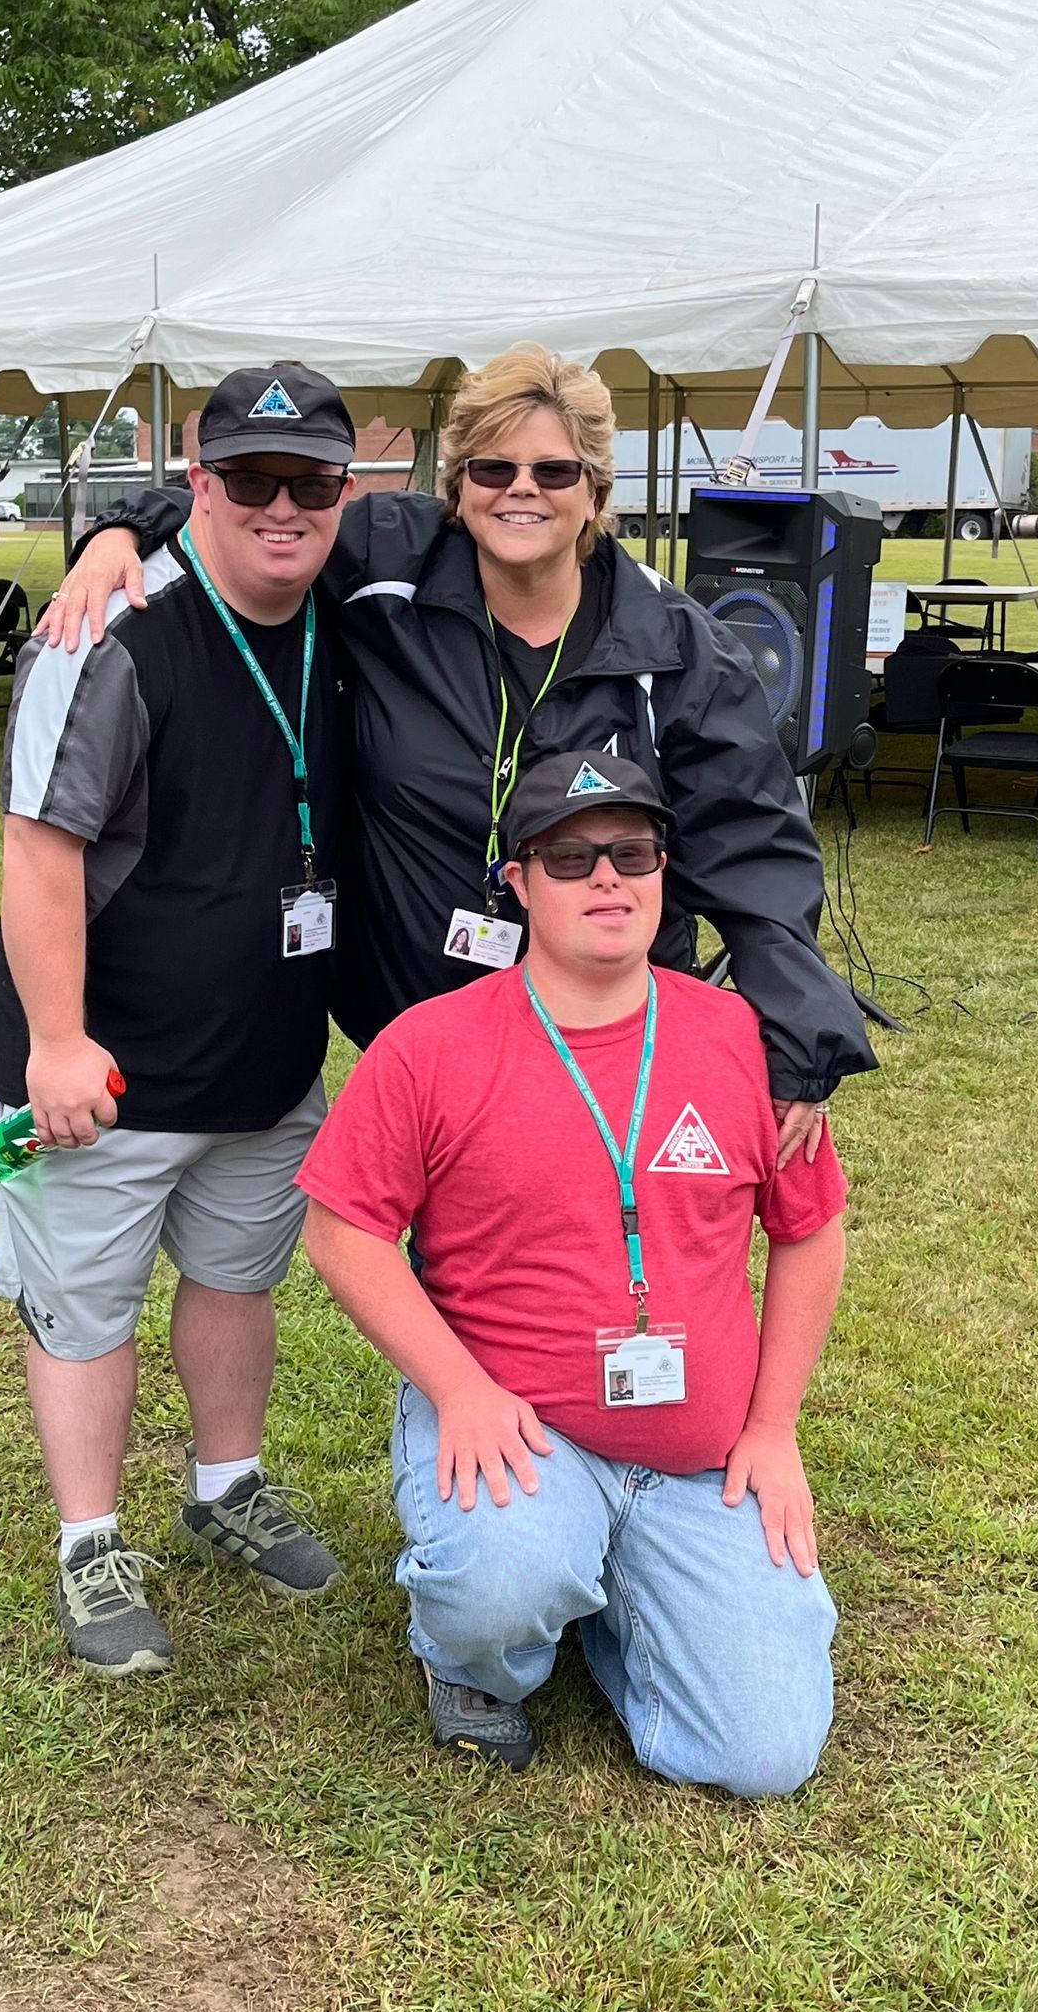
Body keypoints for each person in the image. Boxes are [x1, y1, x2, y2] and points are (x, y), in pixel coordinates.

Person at [44, 343, 872, 1161]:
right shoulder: (384, 565)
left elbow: (750, 844)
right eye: (491, 469)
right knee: (454, 1265)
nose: (521, 490)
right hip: (423, 1039)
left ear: (596, 493)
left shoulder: (676, 649)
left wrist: (799, 1028)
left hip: (605, 1032)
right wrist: (125, 529)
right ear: (457, 487)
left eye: (554, 472)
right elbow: (265, 504)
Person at [297, 750, 846, 1788]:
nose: (608, 879)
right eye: (571, 856)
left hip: (701, 1454)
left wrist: (772, 1427)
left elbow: (810, 1230)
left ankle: (617, 1606)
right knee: (500, 1578)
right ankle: (473, 1662)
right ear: (518, 881)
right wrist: (456, 1389)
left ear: (663, 871)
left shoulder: (742, 1039)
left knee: (764, 1753)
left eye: (632, 852)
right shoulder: (429, 1047)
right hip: (520, 1425)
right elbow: (342, 1230)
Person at [0, 364, 356, 1677]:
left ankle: (225, 1488)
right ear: (198, 484)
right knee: (84, 1310)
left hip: (263, 1063)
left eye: (310, 482)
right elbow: (38, 850)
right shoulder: (118, 626)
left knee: (237, 1279)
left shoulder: (344, 607)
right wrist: (58, 1043)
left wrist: (119, 514)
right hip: (107, 1070)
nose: (281, 507)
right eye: (249, 478)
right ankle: (90, 1543)